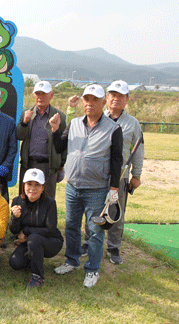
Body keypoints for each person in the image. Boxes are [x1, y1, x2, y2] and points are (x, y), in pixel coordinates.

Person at [51, 84, 123, 288]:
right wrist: (56, 130)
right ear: (83, 101)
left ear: (103, 102)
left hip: (97, 188)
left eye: (94, 100)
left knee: (94, 231)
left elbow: (117, 160)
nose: (89, 103)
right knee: (72, 226)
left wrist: (114, 188)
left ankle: (92, 269)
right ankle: (72, 261)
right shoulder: (73, 123)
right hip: (73, 186)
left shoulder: (113, 128)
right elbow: (58, 147)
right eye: (86, 99)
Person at [71, 80, 144, 265]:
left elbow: (138, 149)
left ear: (127, 99)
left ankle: (113, 247)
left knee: (115, 212)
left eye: (120, 96)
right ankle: (88, 243)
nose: (116, 99)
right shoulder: (96, 116)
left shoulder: (133, 123)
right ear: (106, 98)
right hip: (96, 175)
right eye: (113, 95)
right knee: (93, 211)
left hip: (118, 176)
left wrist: (136, 175)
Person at [9, 168, 64, 288]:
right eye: (29, 184)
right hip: (29, 241)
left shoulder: (50, 203)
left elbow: (50, 230)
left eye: (37, 185)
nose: (32, 188)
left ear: (43, 187)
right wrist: (15, 218)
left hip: (51, 241)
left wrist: (26, 231)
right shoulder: (17, 201)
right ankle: (34, 258)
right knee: (15, 263)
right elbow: (13, 231)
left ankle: (38, 277)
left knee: (34, 239)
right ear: (24, 185)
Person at [16, 81, 66, 198]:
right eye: (37, 93)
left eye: (43, 94)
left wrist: (60, 166)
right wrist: (24, 122)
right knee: (25, 198)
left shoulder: (59, 116)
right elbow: (19, 136)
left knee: (47, 200)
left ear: (51, 95)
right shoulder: (27, 113)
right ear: (34, 95)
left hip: (48, 167)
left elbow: (63, 144)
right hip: (28, 164)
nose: (40, 97)